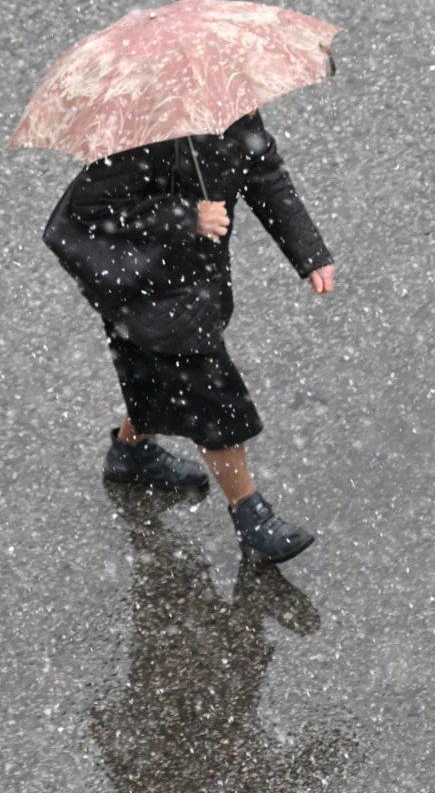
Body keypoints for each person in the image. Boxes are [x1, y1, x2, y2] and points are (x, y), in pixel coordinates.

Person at [44, 109, 335, 563]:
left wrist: (309, 252)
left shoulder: (234, 113)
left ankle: (130, 453)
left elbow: (264, 174)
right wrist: (185, 217)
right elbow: (91, 209)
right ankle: (251, 518)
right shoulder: (139, 132)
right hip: (145, 290)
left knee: (156, 376)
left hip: (194, 284)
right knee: (212, 400)